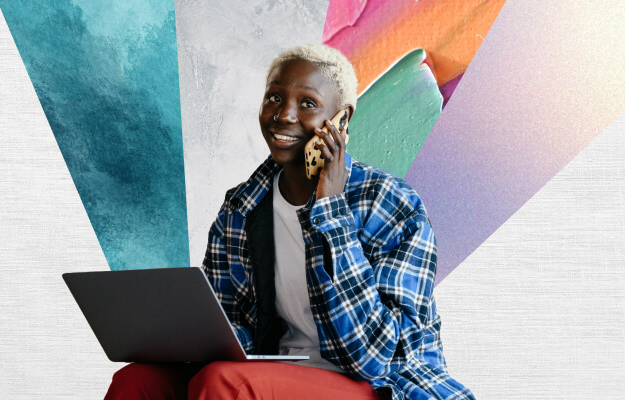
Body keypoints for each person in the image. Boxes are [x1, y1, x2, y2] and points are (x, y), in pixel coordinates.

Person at [105, 43, 475, 400]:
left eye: (308, 104)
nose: (284, 115)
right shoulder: (242, 207)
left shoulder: (391, 204)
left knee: (226, 384)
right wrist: (179, 335)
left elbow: (373, 358)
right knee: (136, 381)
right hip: (275, 370)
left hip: (380, 384)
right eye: (275, 98)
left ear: (341, 119)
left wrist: (329, 208)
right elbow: (233, 327)